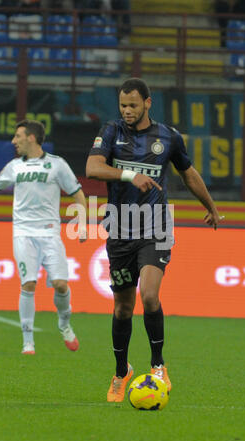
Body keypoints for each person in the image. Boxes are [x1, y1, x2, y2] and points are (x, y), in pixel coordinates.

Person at [86, 77, 224, 403]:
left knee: (149, 296)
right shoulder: (111, 132)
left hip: (155, 228)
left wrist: (211, 207)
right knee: (122, 307)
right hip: (119, 231)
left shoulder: (168, 137)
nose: (127, 111)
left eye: (133, 105)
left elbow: (188, 173)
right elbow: (92, 167)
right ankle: (122, 372)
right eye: (123, 105)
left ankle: (158, 365)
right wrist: (128, 175)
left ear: (148, 103)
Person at [0, 119, 87, 355]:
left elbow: (78, 194)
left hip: (49, 233)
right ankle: (28, 341)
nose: (14, 141)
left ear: (31, 138)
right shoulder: (14, 166)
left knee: (61, 285)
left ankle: (64, 324)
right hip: (23, 232)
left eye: (18, 136)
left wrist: (83, 222)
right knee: (28, 283)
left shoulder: (57, 165)